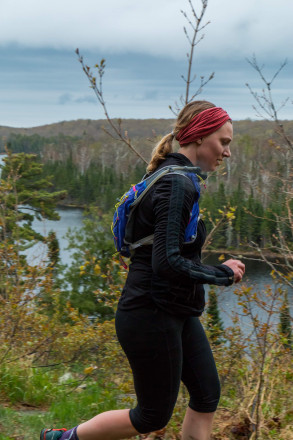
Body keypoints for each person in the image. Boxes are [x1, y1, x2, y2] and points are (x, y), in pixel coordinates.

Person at [40, 100, 245, 440]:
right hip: (151, 313)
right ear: (198, 136)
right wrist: (222, 273)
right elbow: (167, 262)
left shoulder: (173, 176)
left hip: (173, 309)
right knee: (151, 415)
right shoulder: (177, 183)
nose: (227, 153)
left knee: (206, 393)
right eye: (223, 142)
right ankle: (62, 438)